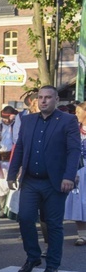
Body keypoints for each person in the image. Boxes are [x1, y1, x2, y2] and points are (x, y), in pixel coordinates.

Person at [8, 85, 81, 272]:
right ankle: (33, 256)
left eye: (48, 97)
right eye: (40, 97)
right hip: (31, 180)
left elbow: (73, 151)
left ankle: (53, 264)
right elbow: (20, 148)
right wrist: (11, 173)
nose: (43, 101)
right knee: (24, 218)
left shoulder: (68, 120)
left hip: (55, 182)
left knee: (53, 223)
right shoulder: (28, 120)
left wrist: (68, 176)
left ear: (56, 100)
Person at [64, 102, 86, 246]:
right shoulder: (75, 130)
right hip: (78, 168)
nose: (76, 115)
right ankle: (82, 234)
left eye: (79, 112)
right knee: (78, 200)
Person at [0, 106, 19, 214]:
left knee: (12, 184)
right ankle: (0, 208)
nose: (5, 120)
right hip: (1, 159)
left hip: (12, 159)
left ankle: (9, 209)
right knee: (1, 186)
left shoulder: (16, 126)